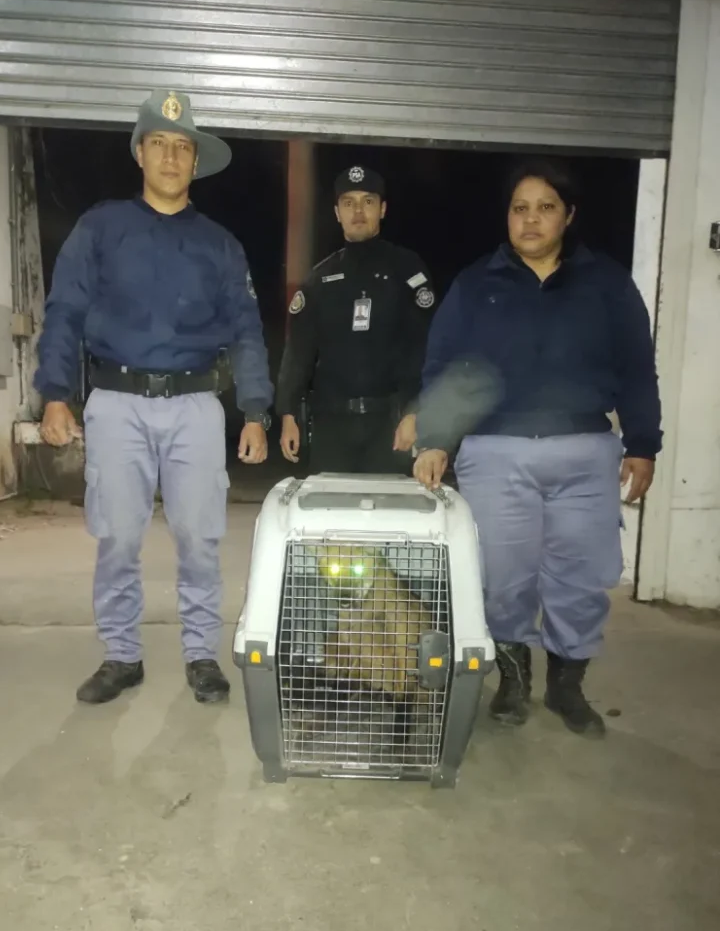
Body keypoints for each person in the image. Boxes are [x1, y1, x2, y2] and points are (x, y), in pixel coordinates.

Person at [35, 89, 273, 706]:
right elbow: (64, 312)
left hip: (196, 405)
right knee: (116, 535)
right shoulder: (100, 228)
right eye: (160, 144)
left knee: (199, 536)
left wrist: (254, 410)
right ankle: (121, 654)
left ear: (197, 162)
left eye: (183, 147)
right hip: (116, 402)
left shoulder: (220, 245)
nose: (172, 157)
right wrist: (55, 392)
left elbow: (247, 328)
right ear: (140, 153)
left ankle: (200, 653)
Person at [413, 158, 662, 738]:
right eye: (520, 208)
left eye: (545, 207)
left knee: (579, 576)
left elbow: (636, 370)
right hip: (496, 453)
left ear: (568, 215)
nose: (530, 220)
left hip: (585, 453)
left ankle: (567, 685)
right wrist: (435, 440)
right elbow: (444, 366)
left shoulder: (606, 283)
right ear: (507, 216)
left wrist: (643, 444)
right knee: (504, 576)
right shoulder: (477, 283)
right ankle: (513, 678)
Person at [276, 165, 435, 473]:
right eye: (349, 203)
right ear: (337, 212)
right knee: (331, 514)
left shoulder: (407, 271)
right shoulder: (320, 279)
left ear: (383, 209)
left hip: (391, 424)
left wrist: (415, 412)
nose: (358, 211)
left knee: (388, 515)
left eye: (368, 201)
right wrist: (288, 415)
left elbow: (425, 348)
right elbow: (298, 353)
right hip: (331, 425)